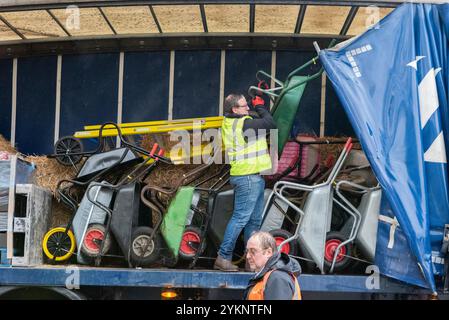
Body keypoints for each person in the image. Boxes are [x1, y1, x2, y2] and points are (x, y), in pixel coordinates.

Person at [213, 93, 276, 272]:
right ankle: (223, 257)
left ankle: (252, 263)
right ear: (235, 109)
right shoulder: (244, 123)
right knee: (241, 218)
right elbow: (270, 124)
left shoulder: (231, 122)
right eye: (244, 106)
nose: (248, 108)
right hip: (248, 177)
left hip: (251, 176)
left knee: (253, 222)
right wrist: (260, 106)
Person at [244, 231, 302, 300]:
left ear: (268, 252)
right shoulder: (268, 276)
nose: (247, 256)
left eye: (253, 252)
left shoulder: (277, 278)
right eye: (247, 251)